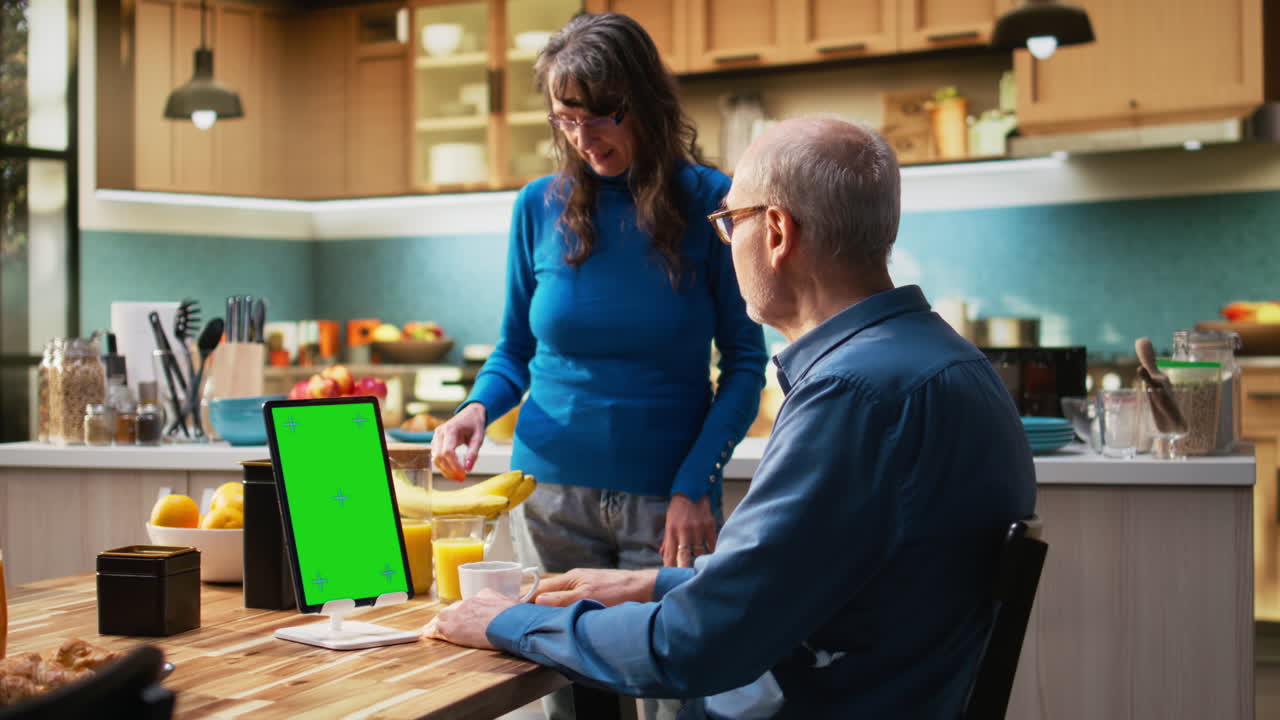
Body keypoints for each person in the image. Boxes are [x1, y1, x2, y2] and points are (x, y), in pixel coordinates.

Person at [425, 117, 1038, 719]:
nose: (725, 241)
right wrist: (651, 585)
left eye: (727, 223)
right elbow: (803, 576)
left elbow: (692, 645)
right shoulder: (954, 364)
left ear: (775, 232)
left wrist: (510, 620)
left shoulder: (851, 397)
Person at [429, 12, 767, 719]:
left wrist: (695, 483)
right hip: (550, 494)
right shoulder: (537, 206)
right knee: (574, 701)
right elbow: (514, 351)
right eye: (567, 119)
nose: (586, 138)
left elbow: (743, 364)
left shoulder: (711, 201)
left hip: (665, 504)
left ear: (643, 100)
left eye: (603, 115)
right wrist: (474, 409)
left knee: (681, 697)